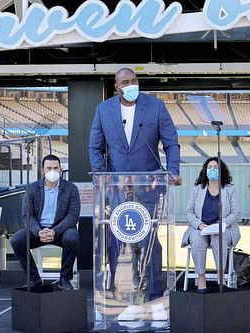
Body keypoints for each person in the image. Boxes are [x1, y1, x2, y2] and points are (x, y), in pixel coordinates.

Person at [89, 67, 182, 300]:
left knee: (149, 240)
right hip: (116, 188)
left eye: (134, 80)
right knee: (116, 239)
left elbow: (171, 143)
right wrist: (102, 177)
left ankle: (154, 293)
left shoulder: (156, 107)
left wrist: (172, 172)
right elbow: (95, 147)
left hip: (150, 185)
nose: (131, 85)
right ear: (116, 87)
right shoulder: (103, 110)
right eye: (125, 82)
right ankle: (119, 290)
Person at [11, 154, 80, 291]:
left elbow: (72, 216)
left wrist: (55, 231)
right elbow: (27, 215)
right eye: (49, 168)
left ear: (61, 170)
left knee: (73, 237)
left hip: (61, 231)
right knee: (17, 240)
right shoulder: (32, 188)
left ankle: (65, 279)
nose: (52, 171)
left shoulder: (71, 189)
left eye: (56, 168)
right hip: (38, 230)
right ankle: (34, 279)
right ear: (43, 170)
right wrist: (38, 231)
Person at [182, 157, 241, 293]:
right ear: (205, 170)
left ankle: (221, 278)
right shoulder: (197, 189)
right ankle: (201, 278)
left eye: (216, 167)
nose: (212, 170)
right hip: (201, 227)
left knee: (218, 237)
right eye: (210, 167)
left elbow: (236, 212)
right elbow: (188, 212)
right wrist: (199, 224)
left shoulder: (229, 189)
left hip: (223, 228)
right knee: (196, 239)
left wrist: (223, 223)